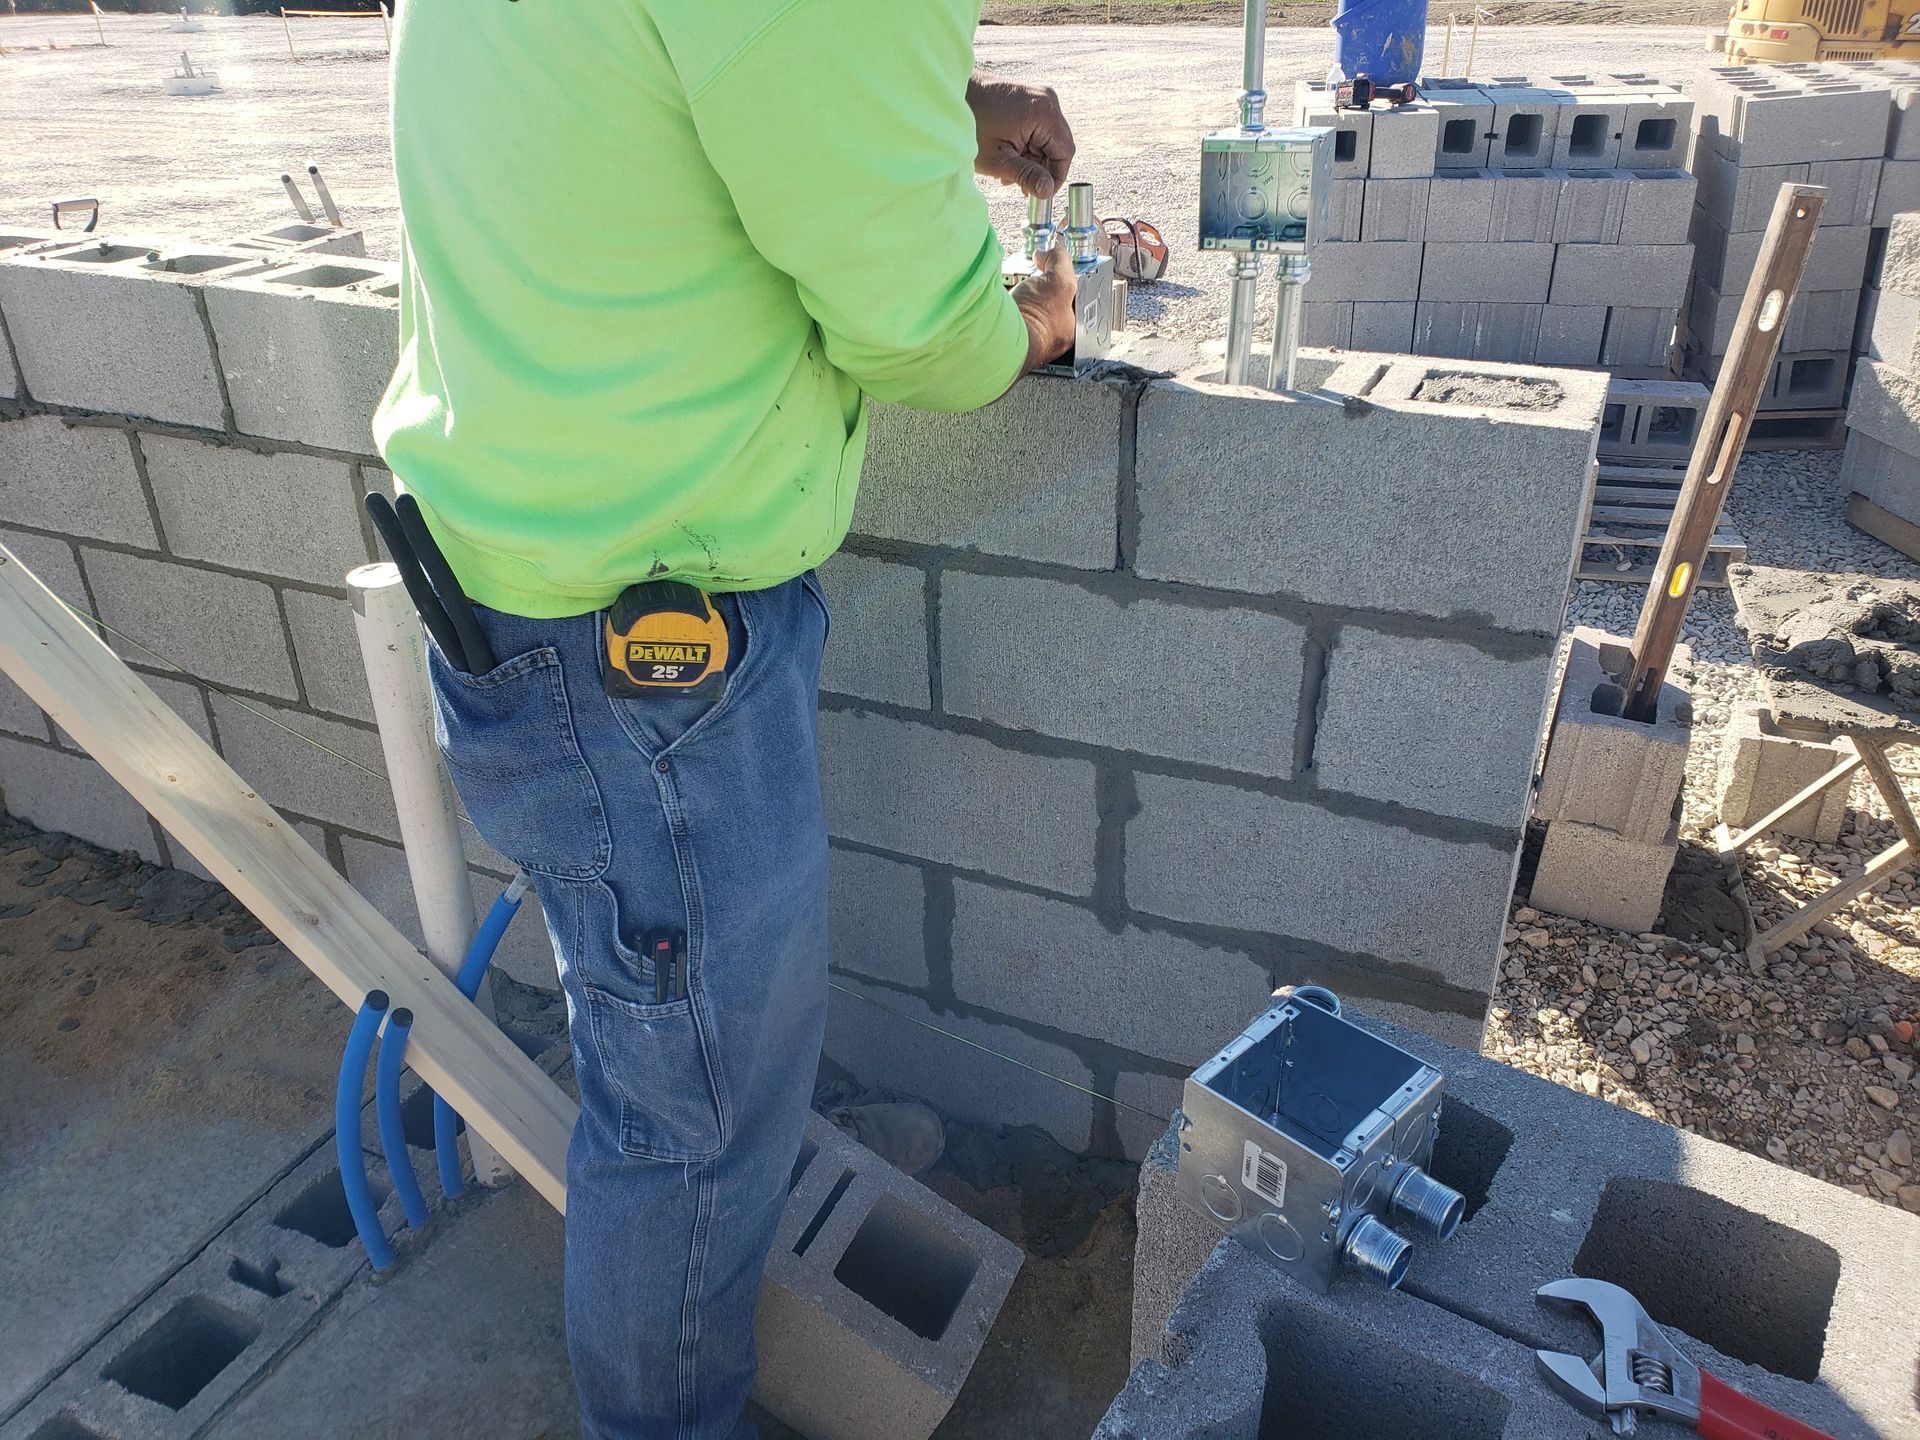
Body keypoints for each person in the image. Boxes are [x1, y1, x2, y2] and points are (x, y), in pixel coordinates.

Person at [374, 4, 1080, 1436]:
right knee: (682, 1126)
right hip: (641, 662)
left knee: (683, 1054)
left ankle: (745, 1133)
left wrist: (935, 101)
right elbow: (926, 332)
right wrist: (1034, 328)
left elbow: (662, 95)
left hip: (546, 597)